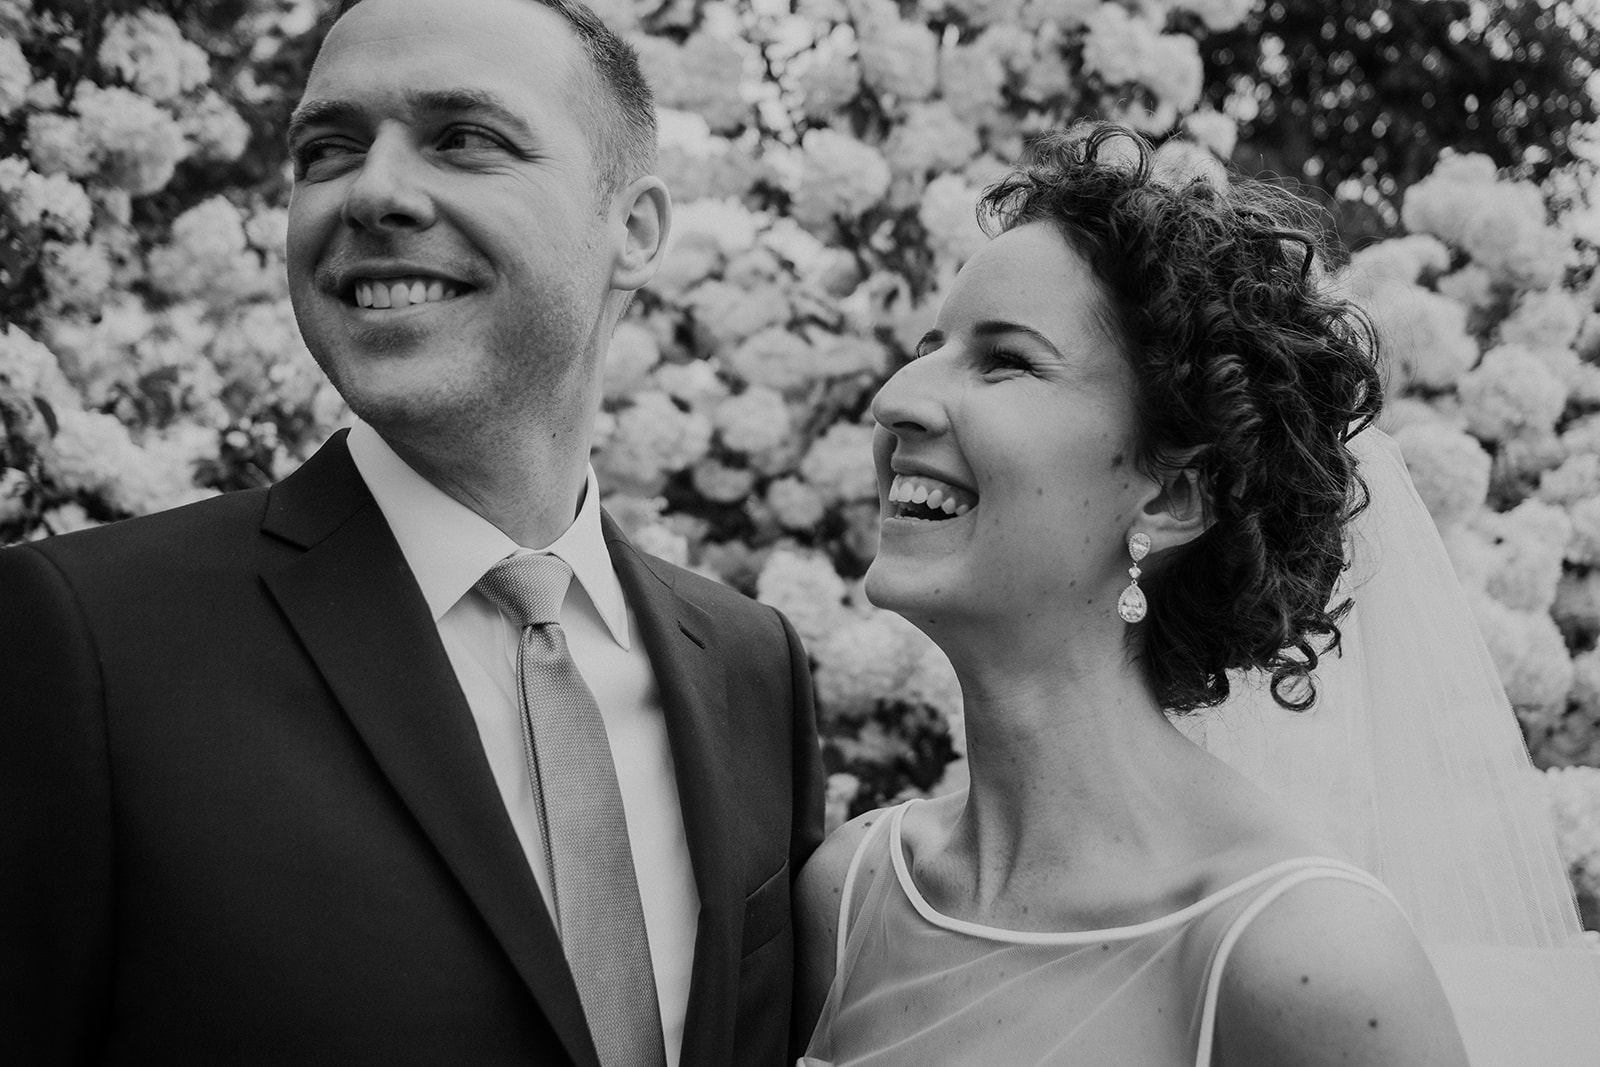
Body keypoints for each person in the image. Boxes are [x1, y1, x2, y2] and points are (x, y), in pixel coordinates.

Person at [0, 0, 824, 1064]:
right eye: (327, 149)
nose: (375, 191)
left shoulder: (753, 663)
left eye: (464, 137)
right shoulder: (83, 644)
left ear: (637, 228)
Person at [795, 123, 1600, 1066]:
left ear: (1174, 495)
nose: (896, 396)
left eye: (1004, 360)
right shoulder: (851, 894)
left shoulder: (1304, 959)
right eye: (929, 348)